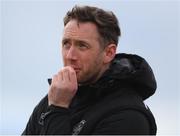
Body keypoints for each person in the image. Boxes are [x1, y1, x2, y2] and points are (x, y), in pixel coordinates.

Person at [22, 5, 157, 135]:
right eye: (66, 44)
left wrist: (57, 110)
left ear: (109, 53)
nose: (70, 56)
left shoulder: (129, 116)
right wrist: (56, 107)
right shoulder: (58, 96)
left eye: (82, 46)